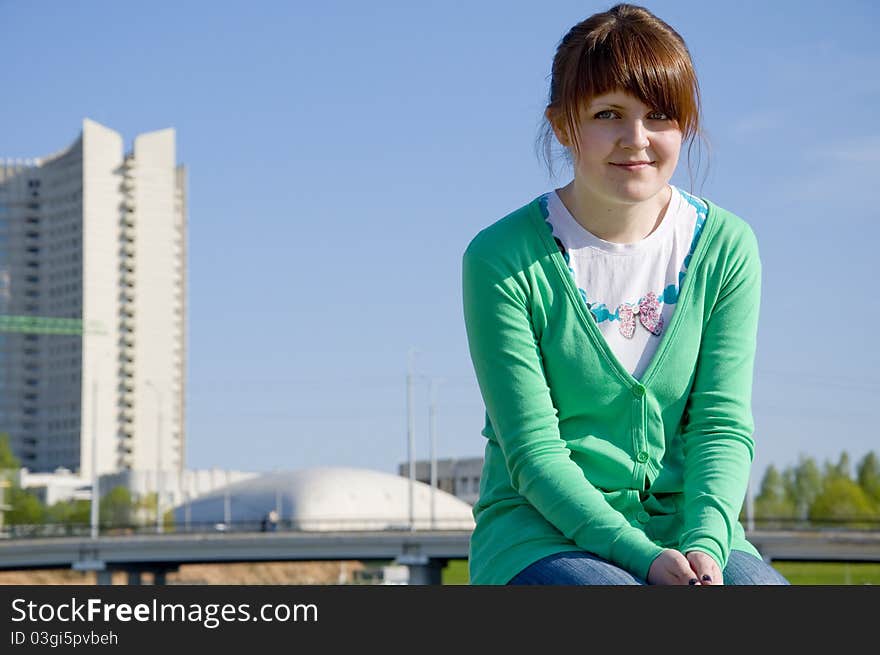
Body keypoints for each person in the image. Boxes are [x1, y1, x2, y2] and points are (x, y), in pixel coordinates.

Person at [461, 3, 789, 585]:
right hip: (541, 535)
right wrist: (642, 558)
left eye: (659, 115)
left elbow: (720, 423)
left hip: (689, 531)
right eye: (609, 113)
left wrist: (708, 546)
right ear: (564, 126)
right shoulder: (501, 258)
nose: (636, 140)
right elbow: (534, 455)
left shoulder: (727, 247)